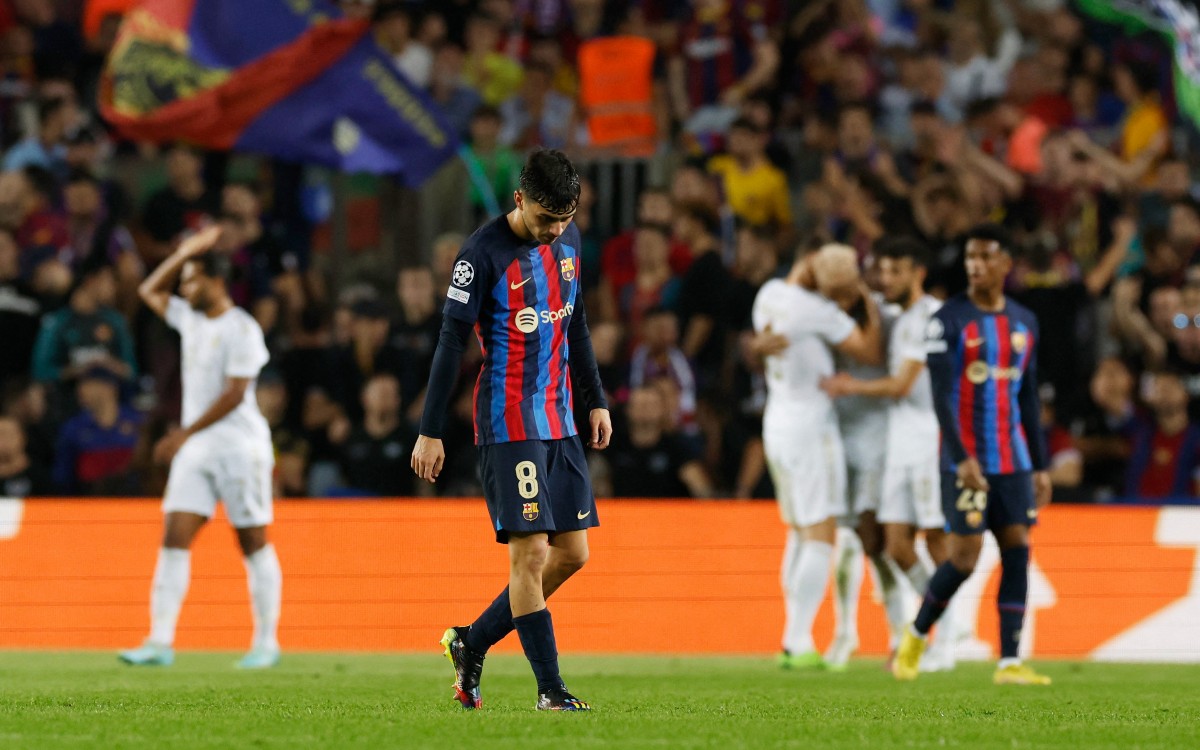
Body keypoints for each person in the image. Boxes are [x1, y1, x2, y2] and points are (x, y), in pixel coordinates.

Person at [410, 150, 610, 711]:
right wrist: (430, 430)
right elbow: (451, 342)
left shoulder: (567, 243)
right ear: (519, 199)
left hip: (561, 419)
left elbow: (576, 325)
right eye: (547, 219)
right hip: (509, 422)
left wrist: (596, 400)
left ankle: (471, 642)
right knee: (530, 557)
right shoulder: (479, 255)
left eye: (565, 220)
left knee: (573, 554)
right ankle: (551, 690)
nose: (555, 231)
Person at [893, 224, 1052, 685]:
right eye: (970, 258)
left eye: (985, 257)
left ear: (1006, 264)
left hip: (1014, 459)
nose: (975, 266)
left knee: (1018, 550)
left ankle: (1009, 663)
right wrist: (962, 457)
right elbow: (941, 396)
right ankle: (917, 633)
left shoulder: (1024, 321)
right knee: (963, 559)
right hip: (966, 460)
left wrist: (1040, 464)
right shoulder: (948, 320)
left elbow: (1027, 397)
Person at [119, 226, 281, 670]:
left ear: (215, 280)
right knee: (173, 536)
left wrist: (183, 433)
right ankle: (158, 641)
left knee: (252, 541)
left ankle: (266, 643)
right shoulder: (188, 318)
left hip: (239, 447)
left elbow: (234, 394)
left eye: (191, 278)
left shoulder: (242, 328)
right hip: (197, 448)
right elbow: (148, 287)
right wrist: (185, 251)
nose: (183, 287)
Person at [822, 237, 955, 669]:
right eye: (881, 270)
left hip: (928, 439)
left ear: (917, 272)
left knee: (935, 539)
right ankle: (928, 629)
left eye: (896, 270)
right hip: (900, 442)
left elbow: (901, 385)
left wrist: (851, 386)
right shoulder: (900, 315)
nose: (886, 279)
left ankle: (946, 644)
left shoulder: (931, 318)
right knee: (897, 546)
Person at [750, 242, 882, 669]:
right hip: (811, 428)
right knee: (822, 535)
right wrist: (863, 299)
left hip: (778, 422)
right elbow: (868, 349)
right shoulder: (816, 311)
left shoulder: (769, 293)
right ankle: (797, 640)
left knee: (799, 533)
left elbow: (759, 342)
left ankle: (793, 637)